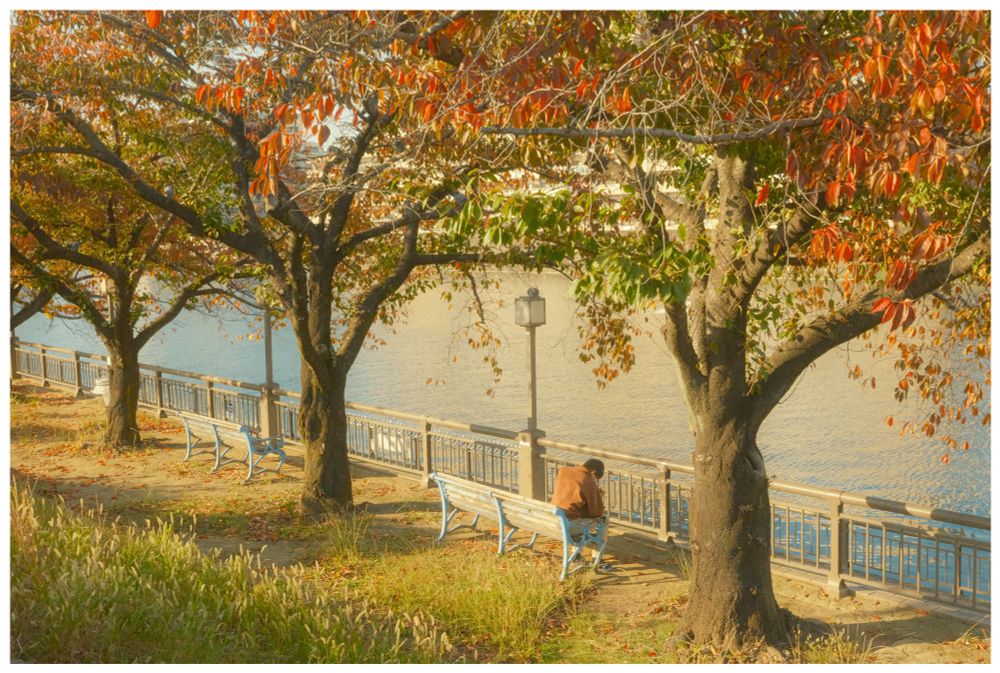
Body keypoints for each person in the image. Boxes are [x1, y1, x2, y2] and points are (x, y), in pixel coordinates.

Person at [550, 458, 612, 570]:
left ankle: (577, 556)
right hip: (567, 526)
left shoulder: (564, 471)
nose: (595, 482)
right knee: (604, 520)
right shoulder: (588, 480)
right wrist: (597, 495)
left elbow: (573, 492)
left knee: (577, 516)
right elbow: (596, 512)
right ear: (593, 472)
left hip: (552, 520)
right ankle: (597, 559)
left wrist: (594, 492)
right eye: (596, 479)